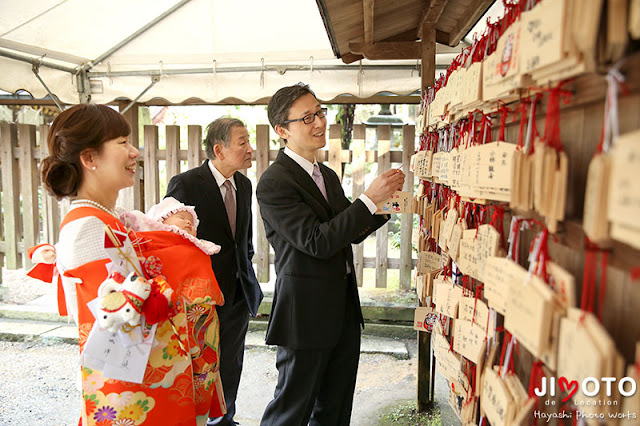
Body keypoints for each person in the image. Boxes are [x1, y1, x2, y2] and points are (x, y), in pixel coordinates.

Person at [39, 103, 225, 426]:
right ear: (90, 159)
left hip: (140, 389)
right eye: (122, 143)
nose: (134, 152)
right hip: (129, 392)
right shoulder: (86, 227)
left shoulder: (109, 220)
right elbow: (117, 319)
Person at [257, 83, 405, 425]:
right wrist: (368, 199)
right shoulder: (274, 182)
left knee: (335, 410)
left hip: (342, 311)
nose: (319, 123)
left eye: (320, 112)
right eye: (307, 118)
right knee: (291, 411)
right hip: (305, 315)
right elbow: (317, 241)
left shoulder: (324, 174)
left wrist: (387, 205)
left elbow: (347, 232)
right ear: (282, 130)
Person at [166, 117, 264, 426]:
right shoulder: (186, 183)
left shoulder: (245, 185)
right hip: (201, 295)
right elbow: (173, 240)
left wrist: (245, 269)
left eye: (249, 142)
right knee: (199, 363)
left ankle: (224, 419)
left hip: (237, 290)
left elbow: (242, 240)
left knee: (231, 361)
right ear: (219, 150)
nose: (251, 149)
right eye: (243, 143)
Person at [120, 196, 221, 255]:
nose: (189, 222)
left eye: (191, 222)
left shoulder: (197, 245)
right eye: (182, 218)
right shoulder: (152, 235)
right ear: (162, 220)